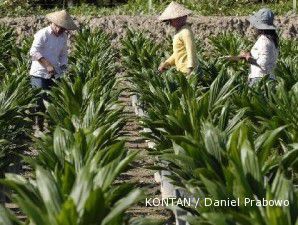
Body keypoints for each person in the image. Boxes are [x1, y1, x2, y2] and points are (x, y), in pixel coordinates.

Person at [29, 10, 78, 131]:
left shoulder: (63, 37)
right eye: (61, 28)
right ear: (54, 23)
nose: (63, 31)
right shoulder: (43, 34)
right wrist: (47, 65)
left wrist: (64, 67)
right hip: (39, 73)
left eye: (65, 29)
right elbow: (33, 52)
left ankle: (47, 125)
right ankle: (37, 125)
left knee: (51, 100)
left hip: (55, 74)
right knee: (40, 101)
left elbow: (63, 54)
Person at [231, 8, 279, 86]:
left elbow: (263, 63)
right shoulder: (272, 40)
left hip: (260, 79)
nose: (254, 27)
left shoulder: (264, 40)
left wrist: (248, 57)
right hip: (269, 78)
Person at [158, 1, 198, 75]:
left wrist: (190, 69)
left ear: (184, 17)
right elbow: (178, 53)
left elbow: (191, 51)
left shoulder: (186, 32)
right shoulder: (179, 32)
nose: (170, 23)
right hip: (181, 71)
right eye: (170, 20)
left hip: (187, 71)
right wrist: (167, 64)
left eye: (172, 20)